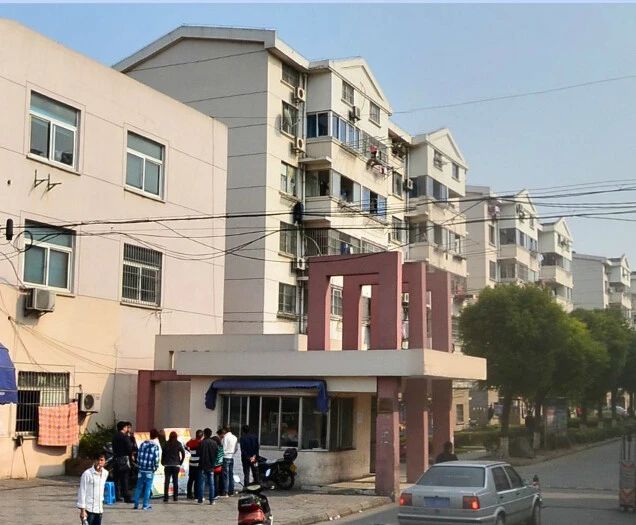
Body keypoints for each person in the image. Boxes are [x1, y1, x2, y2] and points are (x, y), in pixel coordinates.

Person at [77, 453, 109, 525]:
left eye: (101, 460)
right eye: (98, 460)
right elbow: (82, 491)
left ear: (105, 462)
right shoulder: (87, 474)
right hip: (88, 509)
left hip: (99, 509)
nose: (99, 462)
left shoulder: (105, 473)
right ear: (94, 461)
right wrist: (82, 511)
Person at [133, 428, 161, 511]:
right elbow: (156, 459)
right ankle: (145, 505)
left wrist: (139, 465)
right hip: (149, 470)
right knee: (148, 488)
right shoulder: (155, 446)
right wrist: (155, 468)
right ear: (156, 437)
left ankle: (136, 504)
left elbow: (138, 456)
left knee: (138, 487)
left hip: (141, 469)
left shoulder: (142, 444)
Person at [112, 421, 133, 503]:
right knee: (125, 479)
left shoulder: (115, 436)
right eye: (126, 427)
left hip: (116, 458)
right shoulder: (125, 437)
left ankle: (117, 496)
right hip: (124, 459)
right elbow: (129, 448)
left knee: (116, 479)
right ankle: (127, 497)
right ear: (124, 428)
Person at [197, 427, 219, 504]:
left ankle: (200, 499)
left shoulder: (201, 443)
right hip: (211, 466)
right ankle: (211, 500)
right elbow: (217, 454)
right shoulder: (214, 443)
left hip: (202, 465)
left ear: (204, 434)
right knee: (211, 484)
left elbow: (198, 453)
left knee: (201, 483)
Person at [162, 431, 185, 502]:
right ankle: (175, 497)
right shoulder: (178, 444)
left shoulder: (166, 443)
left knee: (167, 481)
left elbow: (163, 453)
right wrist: (181, 462)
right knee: (175, 481)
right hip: (176, 465)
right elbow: (183, 453)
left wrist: (162, 462)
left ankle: (166, 497)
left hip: (167, 465)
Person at [185, 429, 203, 500]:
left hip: (191, 462)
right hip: (198, 463)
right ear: (202, 436)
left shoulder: (191, 441)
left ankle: (189, 494)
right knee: (197, 480)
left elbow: (185, 445)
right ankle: (196, 495)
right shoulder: (201, 442)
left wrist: (190, 451)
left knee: (191, 479)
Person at [221, 425, 238, 497]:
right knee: (231, 474)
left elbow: (223, 448)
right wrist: (232, 452)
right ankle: (231, 491)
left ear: (225, 430)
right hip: (231, 457)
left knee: (226, 475)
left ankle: (226, 491)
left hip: (226, 457)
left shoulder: (225, 437)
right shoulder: (235, 437)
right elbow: (236, 448)